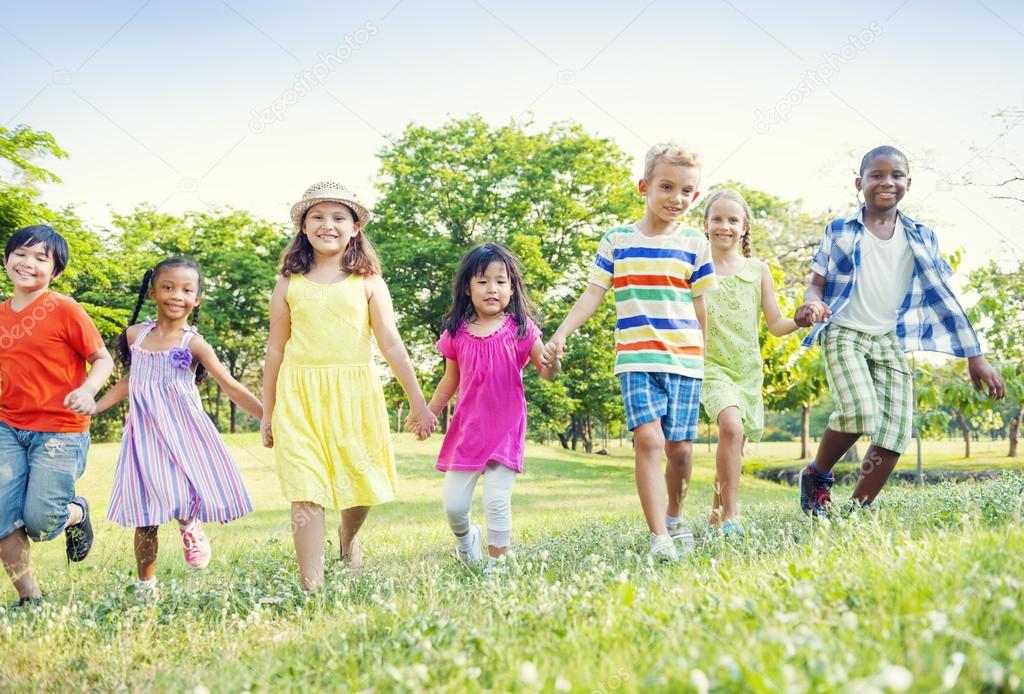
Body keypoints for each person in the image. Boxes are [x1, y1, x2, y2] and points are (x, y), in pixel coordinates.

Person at [794, 145, 1005, 515]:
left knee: (895, 431)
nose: (886, 182)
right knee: (860, 411)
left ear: (909, 182)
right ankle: (817, 474)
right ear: (860, 183)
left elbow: (944, 298)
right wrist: (812, 302)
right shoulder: (840, 231)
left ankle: (856, 511)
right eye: (876, 175)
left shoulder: (922, 237)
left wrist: (976, 356)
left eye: (896, 175)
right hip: (844, 331)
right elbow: (817, 283)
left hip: (887, 338)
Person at [543, 142, 716, 562]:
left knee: (681, 450)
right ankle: (659, 537)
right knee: (648, 441)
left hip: (685, 360)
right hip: (637, 359)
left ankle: (676, 516)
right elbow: (592, 294)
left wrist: (706, 354)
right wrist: (561, 332)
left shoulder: (696, 242)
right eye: (667, 187)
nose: (677, 198)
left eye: (686, 191)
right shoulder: (617, 240)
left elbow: (700, 306)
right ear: (644, 186)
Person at [262, 181, 436, 589]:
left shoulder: (369, 281)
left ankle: (348, 536)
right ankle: (313, 587)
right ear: (303, 227)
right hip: (300, 395)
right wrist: (268, 413)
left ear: (355, 227)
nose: (328, 225)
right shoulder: (289, 283)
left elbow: (391, 344)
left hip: (354, 392)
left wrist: (418, 403)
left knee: (361, 482)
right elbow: (274, 351)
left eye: (339, 217)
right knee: (305, 488)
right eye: (317, 217)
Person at [94, 257, 262, 598]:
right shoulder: (135, 336)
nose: (176, 295)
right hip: (143, 436)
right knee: (145, 513)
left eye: (187, 290)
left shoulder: (194, 344)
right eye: (168, 287)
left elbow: (229, 385)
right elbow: (130, 380)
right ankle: (146, 585)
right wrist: (94, 407)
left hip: (185, 432)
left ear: (196, 299)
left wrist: (268, 416)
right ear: (153, 292)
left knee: (183, 494)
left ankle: (189, 524)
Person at [424, 243, 559, 573]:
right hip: (468, 430)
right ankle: (467, 540)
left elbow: (546, 371)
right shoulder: (456, 333)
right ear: (468, 289)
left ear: (511, 288)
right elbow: (449, 380)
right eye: (482, 281)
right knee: (454, 506)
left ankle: (497, 564)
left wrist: (553, 362)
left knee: (497, 499)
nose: (492, 289)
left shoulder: (521, 328)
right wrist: (428, 412)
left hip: (506, 428)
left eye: (500, 281)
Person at [0, 225, 114, 606]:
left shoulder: (64, 308)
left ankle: (76, 513)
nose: (27, 263)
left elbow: (103, 359)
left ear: (56, 272)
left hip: (59, 432)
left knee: (40, 522)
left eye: (40, 258)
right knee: (0, 513)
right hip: (8, 428)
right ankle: (30, 598)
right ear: (6, 259)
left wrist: (86, 390)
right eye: (21, 253)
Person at [700, 190, 799, 537]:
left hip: (746, 371)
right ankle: (732, 516)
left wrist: (800, 320)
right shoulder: (693, 269)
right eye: (717, 219)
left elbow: (775, 324)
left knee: (733, 443)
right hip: (709, 367)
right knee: (730, 427)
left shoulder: (758, 271)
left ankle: (715, 517)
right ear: (705, 224)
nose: (724, 226)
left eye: (732, 220)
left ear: (744, 228)